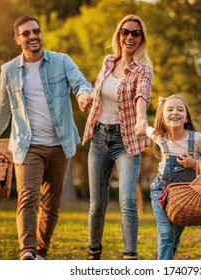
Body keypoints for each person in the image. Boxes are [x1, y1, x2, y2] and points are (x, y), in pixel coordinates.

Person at [0, 15, 93, 260]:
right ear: (17, 38)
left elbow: (80, 83)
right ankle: (27, 252)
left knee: (51, 206)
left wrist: (84, 95)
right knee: (28, 197)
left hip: (60, 145)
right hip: (27, 145)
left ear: (41, 33)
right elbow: (1, 109)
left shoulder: (62, 61)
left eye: (36, 31)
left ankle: (41, 251)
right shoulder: (9, 70)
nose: (33, 36)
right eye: (27, 33)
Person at [81, 14, 153, 260]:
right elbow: (98, 92)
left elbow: (141, 96)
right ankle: (93, 254)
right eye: (125, 32)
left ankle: (130, 258)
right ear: (119, 35)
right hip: (100, 137)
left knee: (127, 201)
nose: (129, 37)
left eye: (135, 33)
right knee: (96, 204)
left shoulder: (143, 70)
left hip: (126, 141)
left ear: (141, 38)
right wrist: (87, 100)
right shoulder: (108, 62)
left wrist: (141, 117)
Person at [146, 94, 201, 260]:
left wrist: (194, 163)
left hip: (186, 196)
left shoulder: (196, 139)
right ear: (163, 117)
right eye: (170, 110)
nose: (175, 112)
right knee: (166, 233)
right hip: (161, 192)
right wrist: (142, 120)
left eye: (180, 109)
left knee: (174, 236)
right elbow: (145, 127)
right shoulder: (160, 137)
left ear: (186, 117)